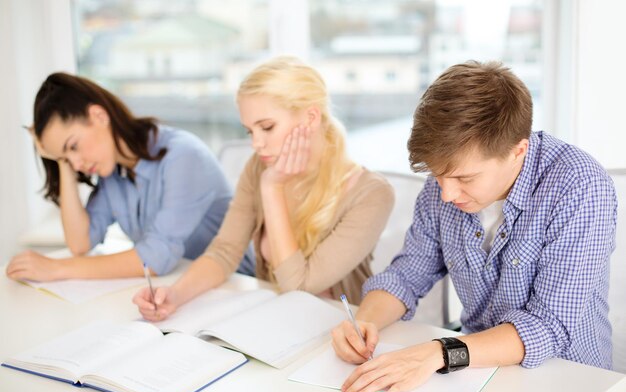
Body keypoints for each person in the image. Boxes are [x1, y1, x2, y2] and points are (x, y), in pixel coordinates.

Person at [330, 61, 617, 392]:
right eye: (438, 175)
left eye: (465, 178)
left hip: (571, 390)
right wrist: (366, 320)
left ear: (518, 151)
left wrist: (438, 353)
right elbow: (408, 274)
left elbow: (548, 327)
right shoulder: (445, 185)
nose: (447, 194)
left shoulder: (580, 186)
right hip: (475, 379)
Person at [133, 56, 394, 321]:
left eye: (267, 127)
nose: (256, 144)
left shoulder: (371, 194)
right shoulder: (259, 167)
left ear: (311, 117)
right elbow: (224, 251)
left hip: (341, 330)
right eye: (249, 131)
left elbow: (299, 286)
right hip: (279, 321)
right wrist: (175, 296)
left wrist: (272, 188)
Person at [6, 72, 254, 281]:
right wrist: (60, 159)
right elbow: (80, 243)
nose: (76, 164)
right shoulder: (113, 175)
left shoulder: (183, 156)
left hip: (240, 288)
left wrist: (57, 268)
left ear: (99, 116)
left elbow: (156, 258)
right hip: (181, 290)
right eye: (66, 157)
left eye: (73, 146)